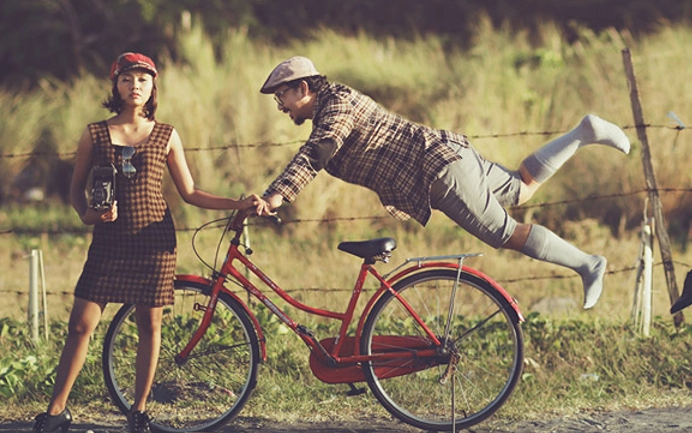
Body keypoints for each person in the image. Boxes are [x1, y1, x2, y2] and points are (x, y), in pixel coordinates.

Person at [249, 56, 632, 310]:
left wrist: (278, 194)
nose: (279, 106)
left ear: (303, 88)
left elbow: (321, 150)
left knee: (505, 234)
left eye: (281, 96)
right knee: (520, 187)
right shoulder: (332, 104)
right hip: (448, 157)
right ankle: (585, 132)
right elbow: (321, 145)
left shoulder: (336, 104)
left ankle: (587, 263)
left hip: (439, 174)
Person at [21, 52, 258, 433]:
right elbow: (76, 191)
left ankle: (140, 412)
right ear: (115, 85)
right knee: (80, 325)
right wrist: (88, 216)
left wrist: (238, 204)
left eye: (144, 80)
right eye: (128, 78)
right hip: (109, 242)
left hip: (155, 241)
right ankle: (55, 412)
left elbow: (191, 192)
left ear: (153, 88)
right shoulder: (94, 134)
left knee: (150, 324)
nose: (136, 85)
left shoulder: (166, 134)